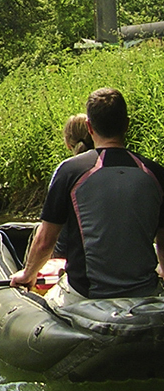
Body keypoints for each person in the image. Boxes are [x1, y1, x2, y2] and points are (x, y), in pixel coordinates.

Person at [10, 88, 164, 306]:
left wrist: (27, 274)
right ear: (127, 125)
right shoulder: (155, 172)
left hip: (85, 294)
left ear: (90, 127)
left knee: (41, 301)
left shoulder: (70, 171)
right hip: (146, 293)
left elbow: (45, 240)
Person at [53, 113, 95, 257]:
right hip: (99, 251)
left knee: (38, 232)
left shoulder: (65, 171)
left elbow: (52, 227)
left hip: (67, 252)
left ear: (67, 144)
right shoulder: (107, 167)